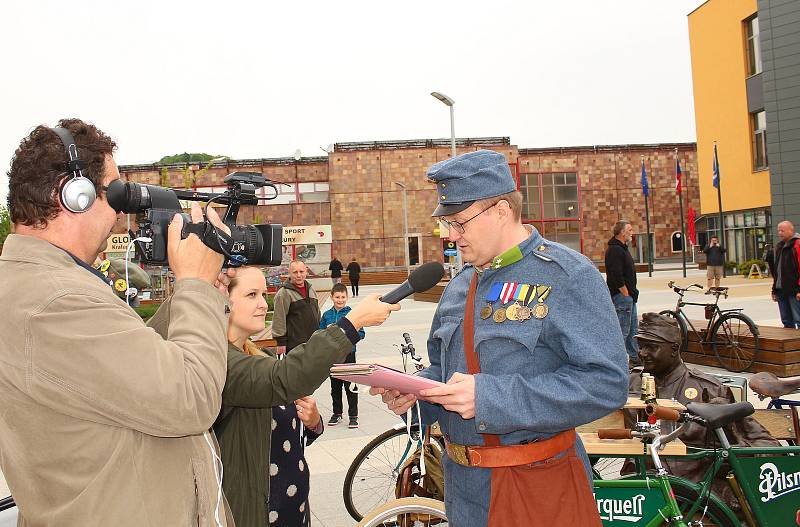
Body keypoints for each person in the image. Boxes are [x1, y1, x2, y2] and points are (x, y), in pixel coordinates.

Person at [371, 150, 628, 526]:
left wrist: (488, 397)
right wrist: (417, 393)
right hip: (464, 489)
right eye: (446, 223)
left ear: (501, 210)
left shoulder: (566, 275)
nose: (449, 235)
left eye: (459, 222)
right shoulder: (459, 286)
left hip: (537, 484)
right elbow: (444, 370)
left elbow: (607, 383)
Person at [0, 118, 237, 525]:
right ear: (74, 195)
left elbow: (126, 366)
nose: (118, 212)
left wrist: (196, 296)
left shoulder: (36, 285)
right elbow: (190, 398)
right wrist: (195, 285)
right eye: (114, 193)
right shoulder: (56, 300)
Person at [213, 267, 398, 527]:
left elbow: (280, 433)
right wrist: (351, 323)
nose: (262, 304)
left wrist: (312, 424)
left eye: (263, 294)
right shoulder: (221, 363)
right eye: (251, 294)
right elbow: (286, 377)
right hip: (257, 512)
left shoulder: (258, 357)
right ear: (221, 300)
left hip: (291, 508)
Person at [624, 312, 779, 510]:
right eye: (641, 345)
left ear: (674, 349)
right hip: (640, 489)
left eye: (651, 347)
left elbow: (763, 442)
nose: (642, 353)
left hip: (693, 491)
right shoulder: (631, 384)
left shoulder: (708, 388)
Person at [320, 283, 365, 428]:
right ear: (332, 297)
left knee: (351, 386)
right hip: (332, 356)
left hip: (348, 354)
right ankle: (337, 413)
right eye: (337, 297)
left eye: (343, 297)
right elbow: (319, 334)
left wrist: (346, 335)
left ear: (347, 297)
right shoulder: (327, 315)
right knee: (335, 387)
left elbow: (361, 333)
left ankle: (353, 415)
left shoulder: (353, 314)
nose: (340, 300)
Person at [605, 220, 640, 366]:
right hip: (622, 297)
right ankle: (615, 361)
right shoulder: (615, 250)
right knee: (622, 330)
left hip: (629, 297)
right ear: (622, 232)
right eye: (630, 230)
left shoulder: (623, 248)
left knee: (633, 329)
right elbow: (616, 274)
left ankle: (634, 357)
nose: (632, 233)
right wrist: (625, 293)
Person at [272, 260, 320, 354]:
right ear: (289, 273)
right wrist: (281, 343)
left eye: (301, 271)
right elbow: (279, 319)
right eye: (295, 272)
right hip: (295, 347)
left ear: (306, 271)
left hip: (313, 343)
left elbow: (317, 314)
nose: (299, 275)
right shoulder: (284, 294)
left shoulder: (311, 289)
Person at [765, 220, 800, 328]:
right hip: (781, 290)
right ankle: (791, 344)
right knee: (786, 321)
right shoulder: (779, 247)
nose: (780, 233)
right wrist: (774, 290)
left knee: (798, 320)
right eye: (778, 231)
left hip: (794, 291)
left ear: (791, 230)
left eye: (782, 231)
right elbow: (777, 271)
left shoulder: (797, 245)